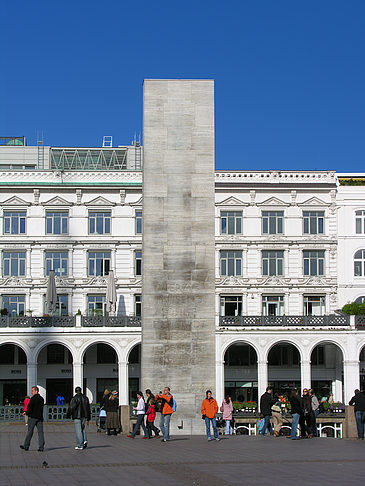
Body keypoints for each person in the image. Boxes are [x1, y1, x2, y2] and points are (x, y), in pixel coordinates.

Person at [20, 386, 45, 451]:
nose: (31, 392)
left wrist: (26, 413)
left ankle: (26, 446)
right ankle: (41, 447)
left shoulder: (33, 399)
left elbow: (29, 408)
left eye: (32, 391)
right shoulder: (42, 399)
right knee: (40, 432)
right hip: (39, 417)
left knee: (30, 431)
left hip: (33, 417)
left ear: (36, 391)